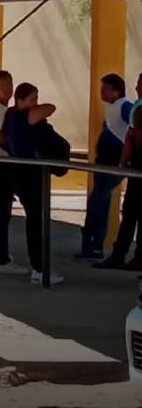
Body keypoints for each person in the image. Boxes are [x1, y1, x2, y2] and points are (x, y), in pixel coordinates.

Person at [5, 82, 64, 285]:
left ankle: (39, 266)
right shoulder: (21, 117)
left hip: (29, 175)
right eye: (31, 99)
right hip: (27, 176)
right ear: (19, 100)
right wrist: (34, 108)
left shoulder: (16, 117)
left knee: (36, 219)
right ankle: (39, 268)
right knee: (36, 221)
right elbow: (50, 108)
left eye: (36, 99)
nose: (35, 103)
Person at [77, 73, 133, 260]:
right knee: (101, 202)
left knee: (97, 203)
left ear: (116, 90)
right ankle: (95, 245)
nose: (101, 92)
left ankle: (92, 242)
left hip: (114, 163)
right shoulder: (112, 107)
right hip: (104, 161)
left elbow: (134, 128)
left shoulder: (125, 106)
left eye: (105, 89)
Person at [0, 70, 27, 275]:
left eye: (9, 84)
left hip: (0, 164)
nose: (7, 89)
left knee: (2, 212)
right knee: (2, 213)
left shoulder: (3, 109)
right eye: (2, 85)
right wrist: (17, 141)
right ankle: (2, 260)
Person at [93, 103, 142, 269]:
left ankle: (124, 256)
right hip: (136, 174)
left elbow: (128, 144)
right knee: (130, 215)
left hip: (136, 173)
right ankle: (125, 256)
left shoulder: (133, 118)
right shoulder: (136, 114)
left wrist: (122, 167)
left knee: (130, 216)